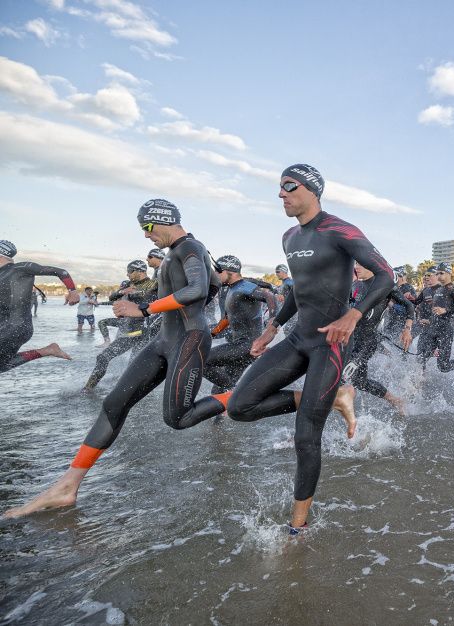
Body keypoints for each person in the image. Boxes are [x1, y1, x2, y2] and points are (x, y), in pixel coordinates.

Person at [5, 199, 222, 518]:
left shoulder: (190, 247)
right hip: (164, 340)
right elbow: (214, 285)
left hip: (189, 339)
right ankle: (67, 487)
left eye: (147, 228)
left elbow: (199, 290)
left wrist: (146, 309)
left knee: (178, 418)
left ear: (161, 220)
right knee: (113, 405)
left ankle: (244, 396)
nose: (147, 236)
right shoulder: (179, 255)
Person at [222, 164, 395, 533]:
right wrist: (271, 328)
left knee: (306, 435)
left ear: (313, 190)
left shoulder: (340, 230)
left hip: (330, 344)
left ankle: (297, 527)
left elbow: (386, 275)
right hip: (298, 338)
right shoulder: (289, 237)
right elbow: (298, 291)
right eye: (279, 187)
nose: (281, 194)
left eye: (289, 185)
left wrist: (353, 315)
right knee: (239, 406)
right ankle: (336, 399)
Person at [343, 262, 414, 414]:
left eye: (361, 264)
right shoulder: (355, 286)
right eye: (355, 264)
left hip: (368, 342)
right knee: (360, 382)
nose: (356, 267)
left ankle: (309, 429)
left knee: (341, 377)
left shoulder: (384, 285)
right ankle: (395, 400)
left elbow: (409, 306)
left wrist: (407, 329)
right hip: (352, 340)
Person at [0, 240, 78, 373]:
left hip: (16, 327)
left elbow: (61, 271)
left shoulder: (21, 268)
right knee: (2, 366)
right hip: (7, 328)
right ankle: (47, 350)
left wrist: (73, 291)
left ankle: (48, 350)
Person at [202, 255, 277, 393]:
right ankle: (231, 399)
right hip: (242, 346)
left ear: (229, 271)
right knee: (217, 391)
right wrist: (210, 334)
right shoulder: (231, 289)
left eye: (218, 272)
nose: (215, 276)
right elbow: (226, 319)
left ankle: (236, 391)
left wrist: (273, 321)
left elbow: (269, 296)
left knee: (202, 361)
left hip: (246, 345)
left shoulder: (244, 286)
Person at [83, 260, 158, 390]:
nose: (127, 275)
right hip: (128, 331)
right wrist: (122, 292)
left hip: (144, 331)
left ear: (139, 271)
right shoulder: (129, 284)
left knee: (133, 366)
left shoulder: (153, 283)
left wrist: (134, 293)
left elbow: (153, 297)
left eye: (129, 272)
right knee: (103, 357)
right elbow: (112, 297)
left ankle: (130, 392)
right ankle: (88, 388)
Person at [414, 263, 454, 374]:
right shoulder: (438, 291)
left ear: (449, 273)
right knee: (421, 357)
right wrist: (428, 320)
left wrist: (446, 310)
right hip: (433, 330)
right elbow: (435, 312)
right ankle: (418, 382)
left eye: (441, 273)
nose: (438, 276)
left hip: (446, 332)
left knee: (443, 366)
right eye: (437, 273)